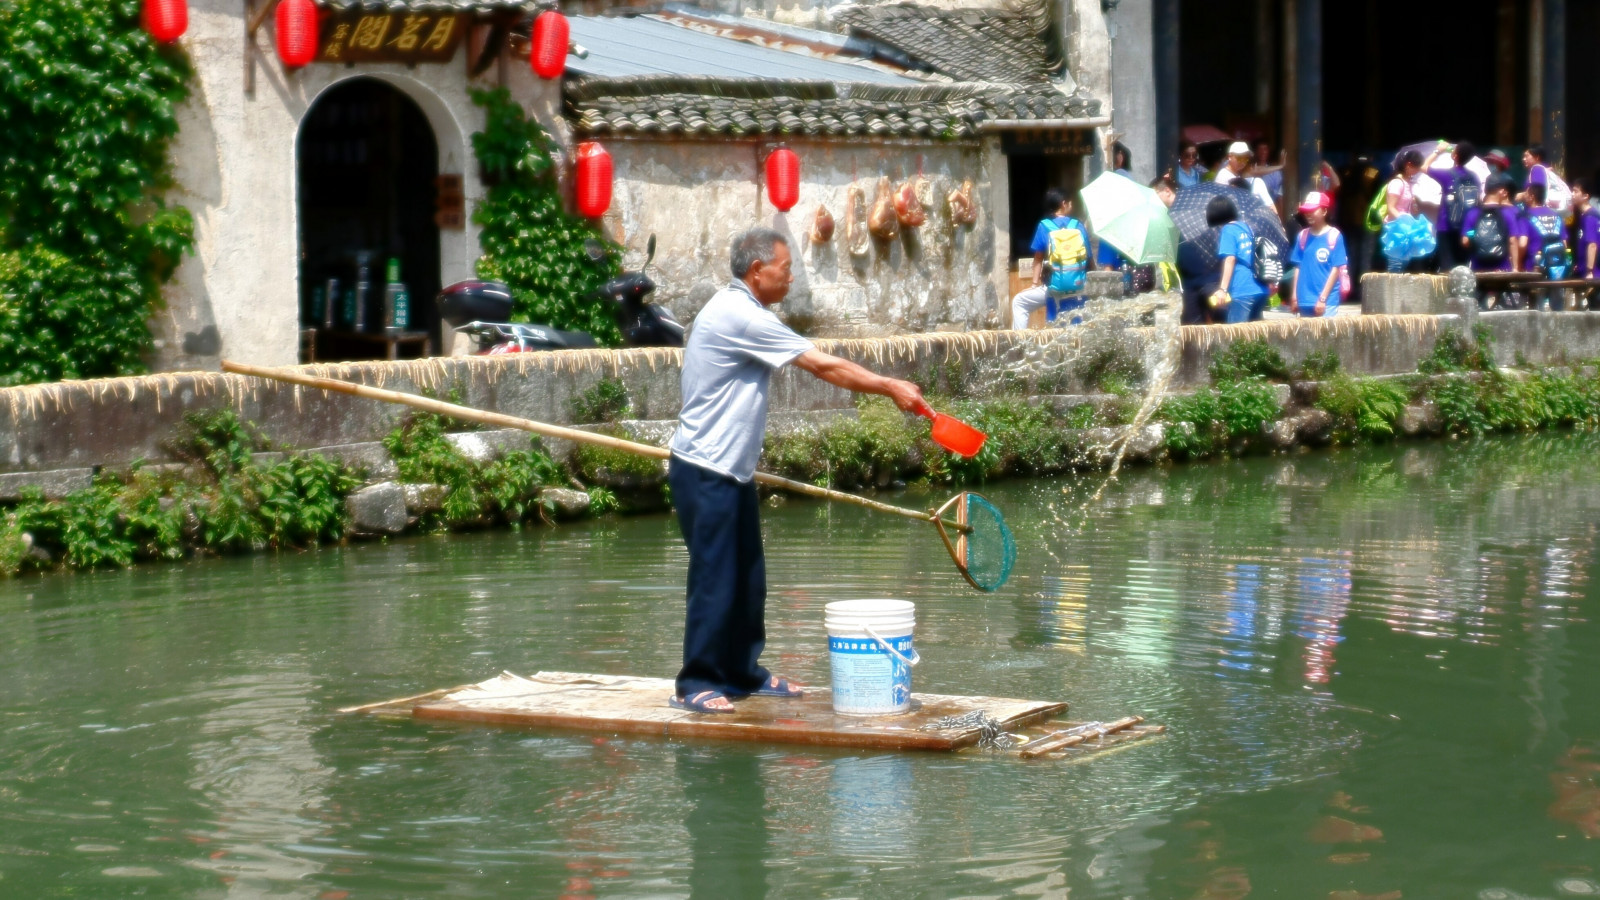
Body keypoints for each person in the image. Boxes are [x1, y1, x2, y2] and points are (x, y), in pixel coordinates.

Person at [666, 228, 927, 713]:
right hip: (705, 469)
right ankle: (696, 682)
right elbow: (822, 365)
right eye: (785, 269)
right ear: (756, 271)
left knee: (747, 578)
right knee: (715, 577)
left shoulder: (750, 311)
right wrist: (889, 385)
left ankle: (742, 672)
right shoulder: (740, 315)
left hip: (732, 471)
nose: (790, 279)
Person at [1010, 189, 1092, 329]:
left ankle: (1020, 341)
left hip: (1054, 288)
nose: (1071, 205)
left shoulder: (1044, 226)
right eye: (1070, 202)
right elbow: (1089, 258)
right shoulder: (1078, 225)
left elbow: (1038, 258)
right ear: (1063, 203)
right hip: (1079, 286)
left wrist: (1034, 284)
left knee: (1019, 302)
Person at [1208, 195, 1269, 323]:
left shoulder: (1228, 230)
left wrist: (1222, 290)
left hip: (1242, 288)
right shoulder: (1247, 228)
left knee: (1237, 336)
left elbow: (1230, 259)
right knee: (1255, 335)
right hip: (1259, 287)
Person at [1286, 192, 1348, 318]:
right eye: (1306, 210)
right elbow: (1297, 267)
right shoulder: (1302, 236)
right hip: (1304, 300)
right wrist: (1294, 296)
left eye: (1313, 210)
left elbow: (1336, 269)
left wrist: (1323, 299)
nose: (1308, 213)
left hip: (1326, 302)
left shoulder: (1335, 236)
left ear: (1324, 211)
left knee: (1325, 337)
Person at [1428, 141, 1484, 270]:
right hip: (1466, 227)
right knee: (1462, 267)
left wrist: (1438, 151)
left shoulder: (1446, 174)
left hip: (1445, 225)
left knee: (1447, 267)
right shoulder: (1473, 176)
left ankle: (1448, 290)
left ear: (1455, 155)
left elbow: (1424, 166)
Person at [1520, 182, 1571, 307]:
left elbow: (1522, 244)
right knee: (1557, 300)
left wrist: (1518, 263)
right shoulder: (1557, 216)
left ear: (1532, 196)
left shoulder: (1525, 216)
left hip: (1534, 264)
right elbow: (1564, 243)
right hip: (1557, 264)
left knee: (1536, 302)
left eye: (1526, 193)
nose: (1524, 196)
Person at [1461, 174, 1520, 274]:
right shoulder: (1508, 213)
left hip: (1478, 268)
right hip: (1502, 269)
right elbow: (1513, 241)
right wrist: (1515, 268)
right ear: (1501, 191)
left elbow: (1465, 241)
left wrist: (1479, 243)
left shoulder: (1473, 213)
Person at [1216, 142, 1276, 211]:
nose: (1242, 162)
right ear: (1230, 157)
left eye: (1245, 159)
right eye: (1239, 158)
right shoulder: (1223, 176)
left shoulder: (1237, 173)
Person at [1572, 178, 1599, 281]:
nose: (1572, 194)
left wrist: (1589, 271)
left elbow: (1592, 244)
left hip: (1593, 275)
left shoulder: (1590, 217)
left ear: (1585, 196)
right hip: (1584, 271)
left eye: (1576, 191)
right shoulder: (1583, 216)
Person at [1253, 139, 1285, 207]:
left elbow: (1279, 197)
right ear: (1256, 151)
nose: (1262, 152)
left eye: (1265, 149)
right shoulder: (1250, 169)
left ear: (1268, 151)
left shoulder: (1276, 173)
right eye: (1260, 149)